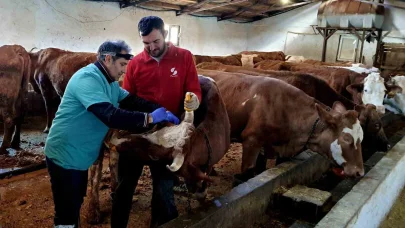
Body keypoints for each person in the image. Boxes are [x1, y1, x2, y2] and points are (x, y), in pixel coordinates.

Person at [44, 40, 179, 228]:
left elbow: (132, 101)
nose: (124, 71)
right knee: (66, 213)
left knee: (75, 204)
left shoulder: (110, 83)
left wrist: (161, 110)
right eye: (122, 65)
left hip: (80, 157)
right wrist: (149, 118)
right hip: (65, 155)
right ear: (108, 59)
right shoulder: (87, 79)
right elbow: (110, 115)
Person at [111, 16, 202, 228]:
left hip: (169, 134)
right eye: (146, 43)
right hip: (139, 132)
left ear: (165, 35)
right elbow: (127, 97)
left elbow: (193, 89)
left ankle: (161, 223)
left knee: (163, 189)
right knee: (124, 187)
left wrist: (194, 99)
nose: (151, 47)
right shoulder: (134, 64)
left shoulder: (184, 57)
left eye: (156, 42)